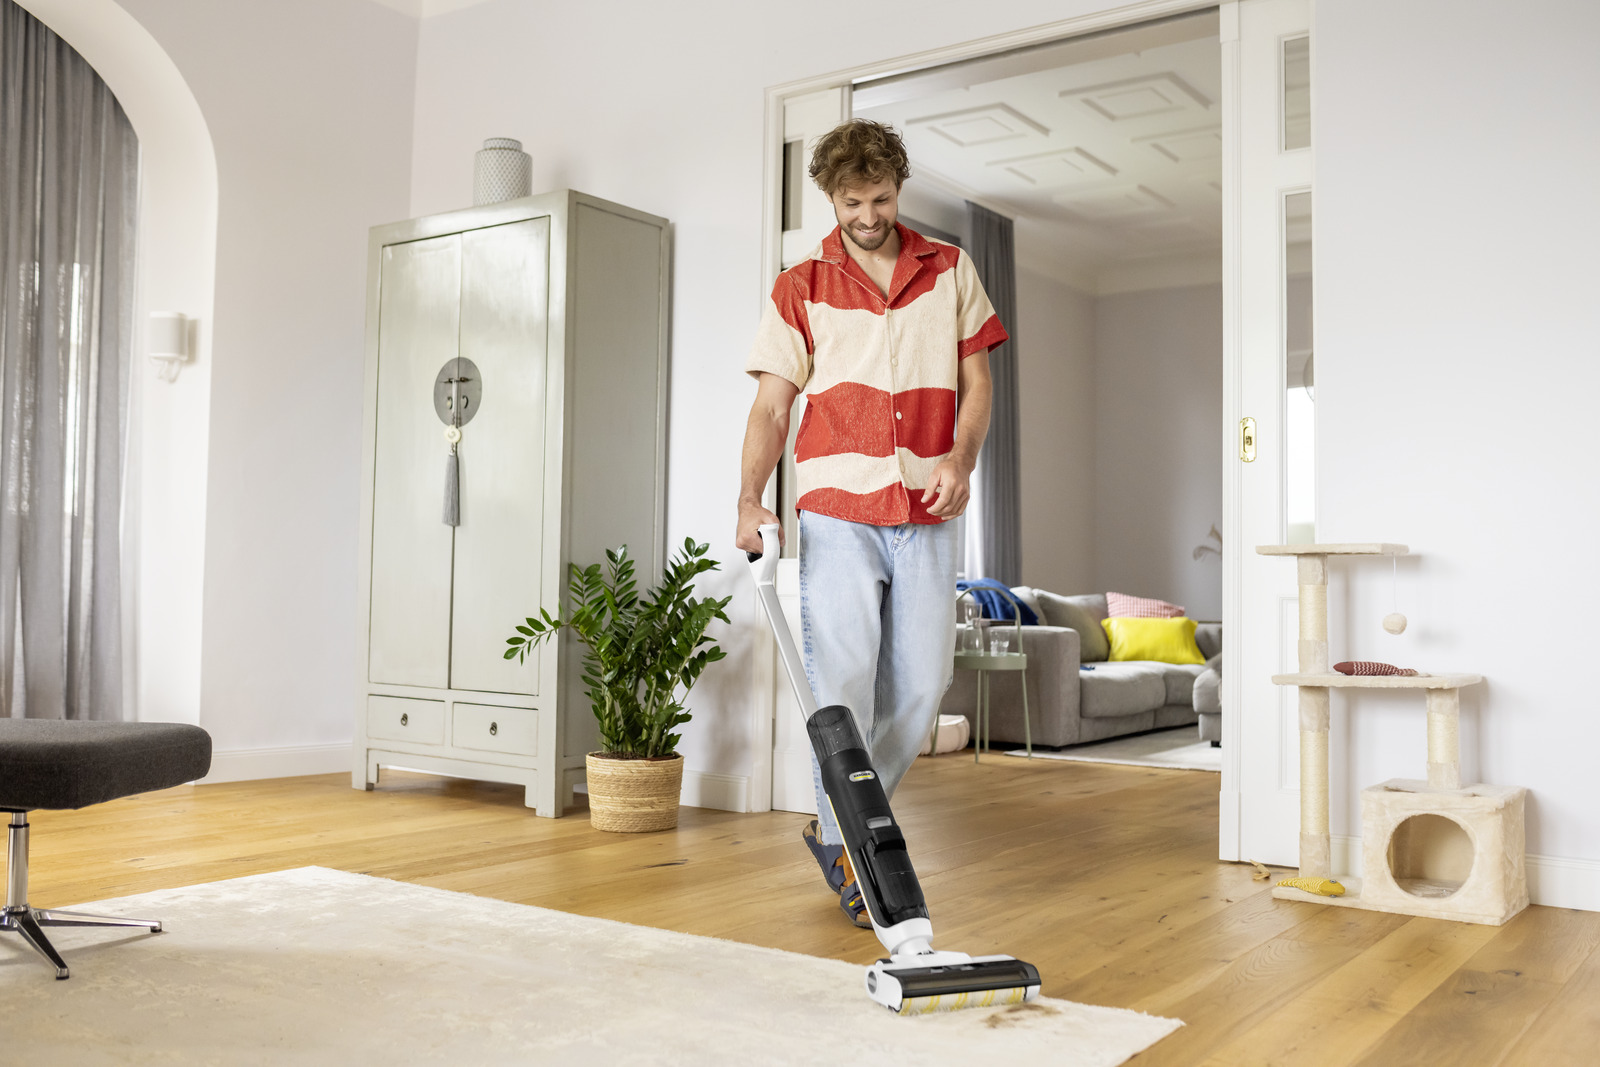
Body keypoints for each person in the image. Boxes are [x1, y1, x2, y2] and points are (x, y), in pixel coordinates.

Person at [736, 119, 1007, 927]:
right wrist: (748, 497)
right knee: (843, 688)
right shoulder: (800, 285)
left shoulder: (949, 268)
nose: (866, 215)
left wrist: (962, 457)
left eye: (880, 198)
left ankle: (839, 825)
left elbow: (978, 382)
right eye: (851, 202)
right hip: (836, 509)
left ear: (899, 187)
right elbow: (771, 407)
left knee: (922, 688)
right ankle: (855, 849)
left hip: (929, 502)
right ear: (832, 196)